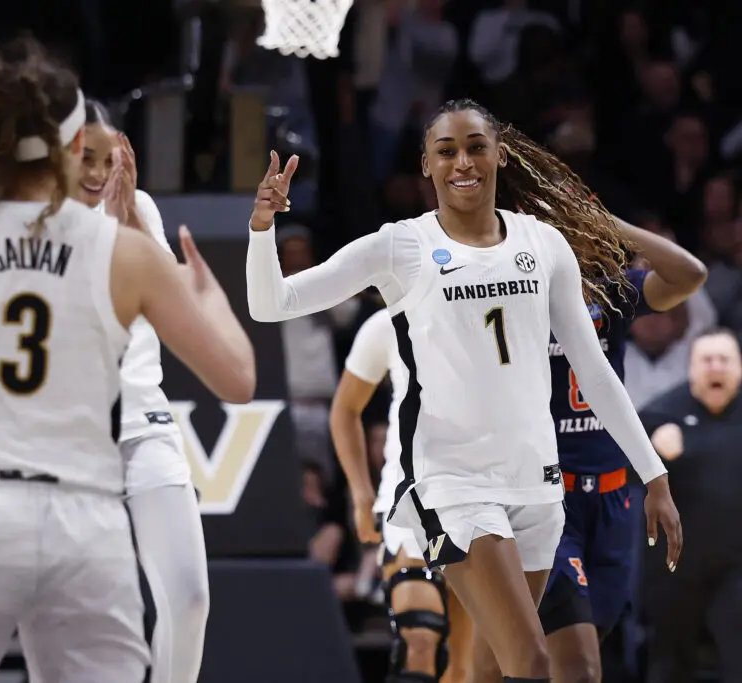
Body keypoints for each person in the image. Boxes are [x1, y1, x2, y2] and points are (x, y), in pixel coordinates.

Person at [0, 8, 255, 682]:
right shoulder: (120, 251)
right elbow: (236, 377)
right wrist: (207, 295)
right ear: (70, 148)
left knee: (186, 597)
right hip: (80, 505)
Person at [245, 98, 681, 682]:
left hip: (537, 481)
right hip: (453, 483)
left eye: (476, 147)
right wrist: (261, 228)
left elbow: (593, 368)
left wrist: (653, 474)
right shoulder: (400, 246)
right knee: (532, 659)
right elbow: (270, 303)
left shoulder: (544, 243)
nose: (463, 162)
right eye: (446, 151)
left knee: (492, 666)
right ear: (426, 165)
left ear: (499, 154)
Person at [536, 220, 706, 683]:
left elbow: (690, 275)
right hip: (551, 502)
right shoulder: (522, 295)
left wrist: (615, 224)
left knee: (587, 653)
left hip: (614, 500)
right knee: (580, 667)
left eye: (582, 226)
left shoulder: (610, 293)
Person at [74, 98, 209, 683]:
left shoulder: (138, 207)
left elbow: (173, 303)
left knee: (188, 598)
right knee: (82, 621)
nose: (99, 170)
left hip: (144, 421)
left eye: (108, 157)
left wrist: (128, 212)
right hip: (69, 439)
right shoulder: (30, 218)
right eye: (85, 156)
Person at [329, 307, 472, 683]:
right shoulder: (388, 324)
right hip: (410, 504)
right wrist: (361, 496)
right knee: (420, 638)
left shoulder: (500, 311)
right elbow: (345, 409)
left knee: (467, 669)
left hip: (481, 498)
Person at [641, 328, 742, 683]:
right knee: (669, 661)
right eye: (706, 360)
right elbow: (622, 477)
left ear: (740, 368)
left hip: (736, 565)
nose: (716, 367)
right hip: (675, 566)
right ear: (691, 368)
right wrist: (652, 451)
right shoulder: (658, 415)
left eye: (724, 360)